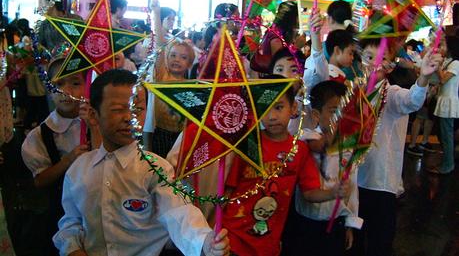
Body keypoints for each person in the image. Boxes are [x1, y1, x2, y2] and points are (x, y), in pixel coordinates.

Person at [53, 69, 230, 256]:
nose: (129, 118)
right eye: (118, 110)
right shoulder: (79, 170)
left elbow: (179, 212)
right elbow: (71, 222)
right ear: (94, 114)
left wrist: (204, 241)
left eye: (137, 109)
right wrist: (72, 248)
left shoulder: (155, 169)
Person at [222, 82, 350, 256]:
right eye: (265, 109)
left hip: (268, 243)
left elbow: (310, 193)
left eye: (279, 107)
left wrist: (332, 193)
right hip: (233, 238)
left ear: (293, 107)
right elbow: (229, 189)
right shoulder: (249, 143)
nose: (272, 116)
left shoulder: (299, 150)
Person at [355, 34, 442, 256]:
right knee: (353, 242)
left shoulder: (391, 94)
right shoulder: (352, 92)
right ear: (359, 59)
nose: (375, 63)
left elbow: (412, 100)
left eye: (381, 58)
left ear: (390, 66)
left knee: (379, 243)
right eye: (369, 57)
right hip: (352, 184)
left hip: (381, 184)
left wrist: (422, 78)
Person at [21, 57, 92, 255]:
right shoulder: (42, 135)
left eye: (75, 83)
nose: (66, 92)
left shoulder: (95, 123)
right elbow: (40, 180)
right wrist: (68, 160)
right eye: (58, 84)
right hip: (61, 215)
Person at [283, 80, 361, 256]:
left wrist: (350, 223)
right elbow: (311, 142)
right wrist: (327, 141)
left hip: (336, 222)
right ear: (317, 115)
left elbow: (353, 187)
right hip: (304, 223)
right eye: (335, 112)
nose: (341, 117)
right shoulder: (306, 138)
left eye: (345, 112)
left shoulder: (348, 148)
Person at [429, 34, 459, 174]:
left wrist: (437, 66)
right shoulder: (449, 62)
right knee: (443, 134)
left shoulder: (456, 63)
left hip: (449, 103)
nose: (442, 48)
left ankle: (448, 165)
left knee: (447, 135)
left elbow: (443, 79)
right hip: (443, 101)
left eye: (444, 45)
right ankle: (448, 161)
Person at [303, 11, 356, 89]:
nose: (352, 57)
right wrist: (315, 35)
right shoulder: (331, 78)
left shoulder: (339, 76)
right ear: (337, 50)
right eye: (350, 53)